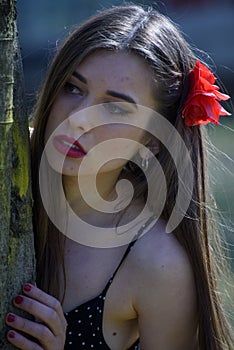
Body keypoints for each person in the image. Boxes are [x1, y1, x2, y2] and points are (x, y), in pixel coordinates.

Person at [5, 4, 234, 350]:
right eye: (73, 88)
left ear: (152, 139)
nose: (80, 118)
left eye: (114, 107)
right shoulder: (7, 165)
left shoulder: (156, 262)